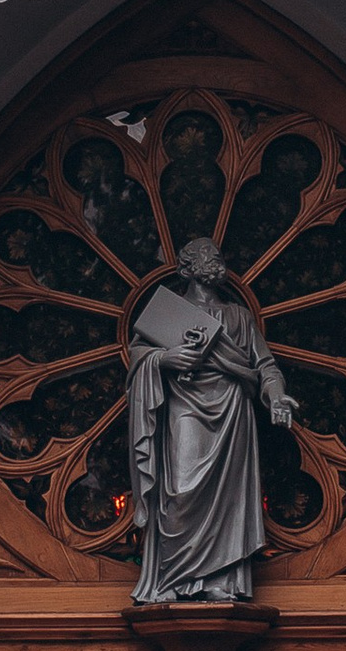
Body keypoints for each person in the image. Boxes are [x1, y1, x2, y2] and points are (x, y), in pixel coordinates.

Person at [126, 237, 295, 604]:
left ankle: (220, 577)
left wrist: (277, 396)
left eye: (219, 256)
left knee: (228, 499)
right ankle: (170, 577)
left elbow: (265, 366)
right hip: (184, 406)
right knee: (181, 490)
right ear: (187, 267)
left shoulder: (239, 316)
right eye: (208, 256)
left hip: (233, 408)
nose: (217, 261)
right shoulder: (169, 313)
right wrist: (163, 360)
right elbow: (139, 355)